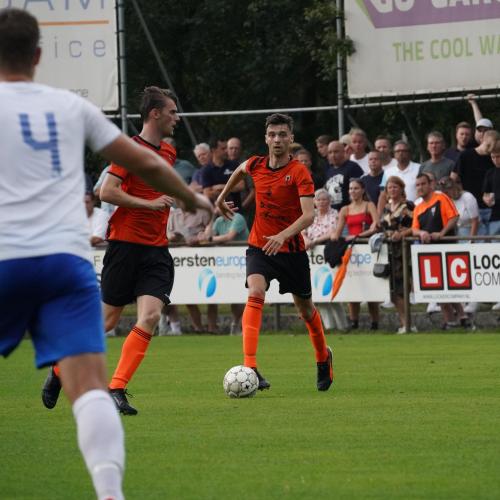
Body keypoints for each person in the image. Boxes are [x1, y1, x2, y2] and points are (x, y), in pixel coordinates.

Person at [0, 8, 208, 500]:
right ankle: (110, 491)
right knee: (91, 373)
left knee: (144, 317)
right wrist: (192, 197)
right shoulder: (72, 107)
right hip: (65, 259)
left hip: (8, 255)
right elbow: (128, 172)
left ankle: (116, 386)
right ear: (38, 55)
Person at [215, 113, 334, 392]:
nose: (277, 139)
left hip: (291, 250)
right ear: (266, 138)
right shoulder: (256, 164)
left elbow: (308, 215)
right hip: (260, 246)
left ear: (291, 138)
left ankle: (322, 358)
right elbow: (240, 169)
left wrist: (282, 236)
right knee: (256, 292)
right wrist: (221, 198)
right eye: (272, 134)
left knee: (305, 310)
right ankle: (251, 367)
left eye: (282, 134)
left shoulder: (300, 172)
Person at [411, 174, 471, 330]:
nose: (420, 187)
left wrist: (442, 233)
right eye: (417, 185)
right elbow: (414, 229)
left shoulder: (441, 198)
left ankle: (456, 318)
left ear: (430, 185)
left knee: (446, 287)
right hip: (429, 251)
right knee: (439, 288)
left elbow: (454, 217)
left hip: (446, 246)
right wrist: (421, 233)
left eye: (423, 184)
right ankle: (457, 318)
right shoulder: (418, 207)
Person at [330, 178, 379, 330]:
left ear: (363, 190)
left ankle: (374, 322)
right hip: (352, 250)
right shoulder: (345, 209)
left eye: (356, 188)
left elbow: (375, 225)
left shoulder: (369, 205)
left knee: (371, 286)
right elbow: (338, 231)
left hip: (366, 248)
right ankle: (354, 321)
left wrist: (359, 235)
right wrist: (332, 236)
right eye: (351, 188)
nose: (353, 191)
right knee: (353, 285)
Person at [301, 189, 347, 331]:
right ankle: (329, 327)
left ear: (330, 201)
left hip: (328, 253)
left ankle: (343, 326)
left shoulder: (334, 214)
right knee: (318, 296)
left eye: (324, 199)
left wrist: (315, 241)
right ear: (314, 202)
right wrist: (306, 239)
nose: (321, 202)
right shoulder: (310, 215)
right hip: (312, 256)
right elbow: (302, 231)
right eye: (318, 199)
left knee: (332, 294)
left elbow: (333, 232)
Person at [380, 177, 415, 333]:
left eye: (395, 187)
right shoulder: (387, 207)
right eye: (389, 187)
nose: (392, 190)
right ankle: (404, 323)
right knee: (392, 292)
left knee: (401, 290)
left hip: (402, 251)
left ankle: (408, 324)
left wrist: (402, 234)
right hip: (388, 251)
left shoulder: (408, 205)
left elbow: (415, 226)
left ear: (401, 189)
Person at [452, 130, 499, 236]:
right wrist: (461, 195)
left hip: (493, 208)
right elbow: (452, 178)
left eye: (494, 146)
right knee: (475, 242)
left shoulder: (494, 158)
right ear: (482, 140)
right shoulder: (465, 155)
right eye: (489, 145)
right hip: (471, 207)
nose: (490, 149)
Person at [378, 140, 420, 214]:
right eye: (397, 151)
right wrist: (378, 216)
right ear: (394, 154)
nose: (400, 153)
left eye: (404, 151)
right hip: (394, 213)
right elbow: (383, 196)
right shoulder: (388, 172)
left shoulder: (419, 168)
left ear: (409, 153)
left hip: (416, 210)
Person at [202, 137, 244, 208]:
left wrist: (220, 187)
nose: (226, 151)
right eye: (223, 149)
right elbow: (207, 194)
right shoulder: (206, 170)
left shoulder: (234, 164)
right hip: (219, 211)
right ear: (213, 150)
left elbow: (241, 186)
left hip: (237, 209)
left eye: (226, 148)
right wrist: (232, 188)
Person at [324, 140, 364, 211]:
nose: (333, 155)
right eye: (330, 152)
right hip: (332, 211)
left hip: (350, 210)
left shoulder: (353, 167)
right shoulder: (328, 170)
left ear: (343, 152)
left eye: (336, 152)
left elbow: (360, 190)